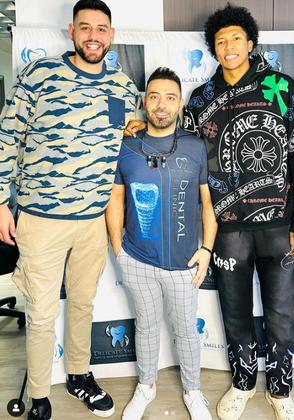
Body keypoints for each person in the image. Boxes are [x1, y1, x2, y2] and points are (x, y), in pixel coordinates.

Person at [0, 1, 141, 419]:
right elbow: (7, 138)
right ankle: (40, 395)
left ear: (111, 36)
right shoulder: (38, 75)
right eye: (85, 28)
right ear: (72, 31)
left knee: (82, 304)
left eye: (101, 29)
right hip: (41, 220)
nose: (93, 36)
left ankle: (79, 375)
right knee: (42, 313)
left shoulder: (123, 87)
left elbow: (143, 126)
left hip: (94, 222)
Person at [183, 3, 294, 420]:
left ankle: (280, 392)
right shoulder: (201, 99)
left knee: (280, 313)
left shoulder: (282, 86)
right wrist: (140, 128)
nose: (229, 47)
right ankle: (243, 384)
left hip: (279, 225)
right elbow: (182, 154)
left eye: (236, 38)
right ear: (213, 48)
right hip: (226, 228)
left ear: (251, 42)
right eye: (221, 41)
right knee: (235, 313)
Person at [106, 67, 218, 420]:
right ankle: (146, 386)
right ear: (144, 101)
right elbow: (115, 200)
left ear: (180, 104)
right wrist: (119, 250)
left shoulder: (195, 146)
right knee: (145, 326)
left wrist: (207, 248)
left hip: (184, 264)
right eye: (154, 96)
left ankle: (192, 390)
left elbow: (208, 204)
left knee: (186, 330)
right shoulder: (125, 146)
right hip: (137, 260)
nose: (161, 105)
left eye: (170, 97)